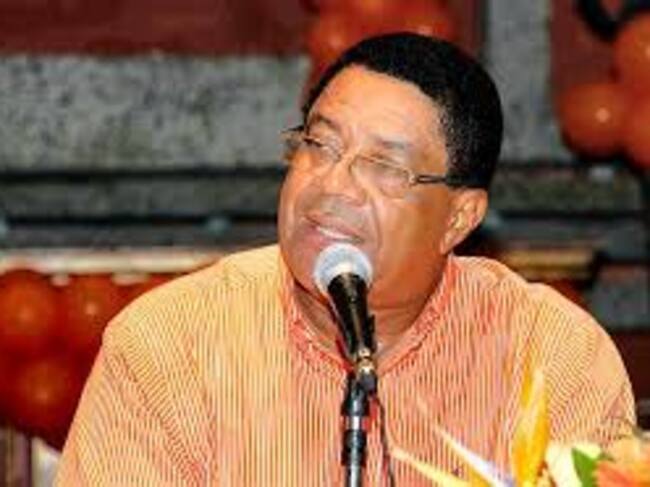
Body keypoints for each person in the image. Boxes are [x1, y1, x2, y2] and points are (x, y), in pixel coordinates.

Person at [55, 33, 634, 485]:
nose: (333, 186)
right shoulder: (168, 346)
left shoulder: (551, 354)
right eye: (320, 144)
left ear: (459, 218)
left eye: (384, 167)